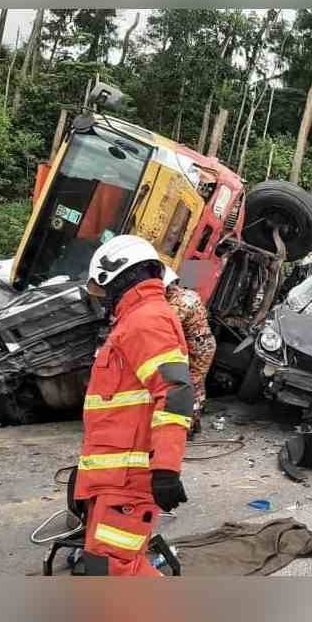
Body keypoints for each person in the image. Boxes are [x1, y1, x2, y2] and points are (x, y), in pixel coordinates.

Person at [73, 235, 193, 576]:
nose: (102, 300)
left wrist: (166, 469)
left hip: (129, 481)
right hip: (114, 480)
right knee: (109, 567)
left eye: (103, 289)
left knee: (113, 570)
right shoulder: (135, 321)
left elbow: (175, 392)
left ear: (120, 278)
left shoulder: (146, 321)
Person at [162, 266, 216, 439]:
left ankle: (190, 426)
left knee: (192, 384)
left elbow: (168, 327)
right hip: (203, 344)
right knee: (197, 383)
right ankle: (195, 421)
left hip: (197, 349)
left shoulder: (179, 305)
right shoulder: (189, 294)